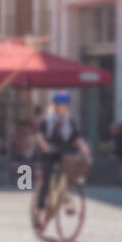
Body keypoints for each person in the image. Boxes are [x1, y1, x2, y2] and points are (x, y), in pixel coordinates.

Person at [33, 91, 92, 230]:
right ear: (55, 106)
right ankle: (38, 212)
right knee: (46, 180)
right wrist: (44, 145)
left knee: (70, 171)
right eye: (62, 105)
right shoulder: (47, 120)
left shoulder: (69, 121)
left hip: (64, 153)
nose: (65, 108)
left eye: (66, 105)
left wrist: (83, 146)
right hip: (49, 153)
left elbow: (76, 137)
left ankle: (67, 196)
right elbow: (40, 135)